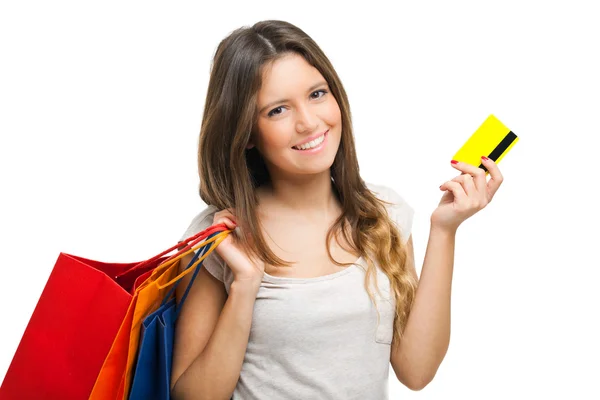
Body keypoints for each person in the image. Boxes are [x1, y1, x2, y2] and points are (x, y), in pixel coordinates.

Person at [170, 20, 504, 399]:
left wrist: (445, 230)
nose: (309, 122)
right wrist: (245, 285)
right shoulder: (220, 238)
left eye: (317, 94)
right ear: (245, 133)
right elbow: (192, 397)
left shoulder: (385, 216)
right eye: (277, 110)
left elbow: (416, 370)